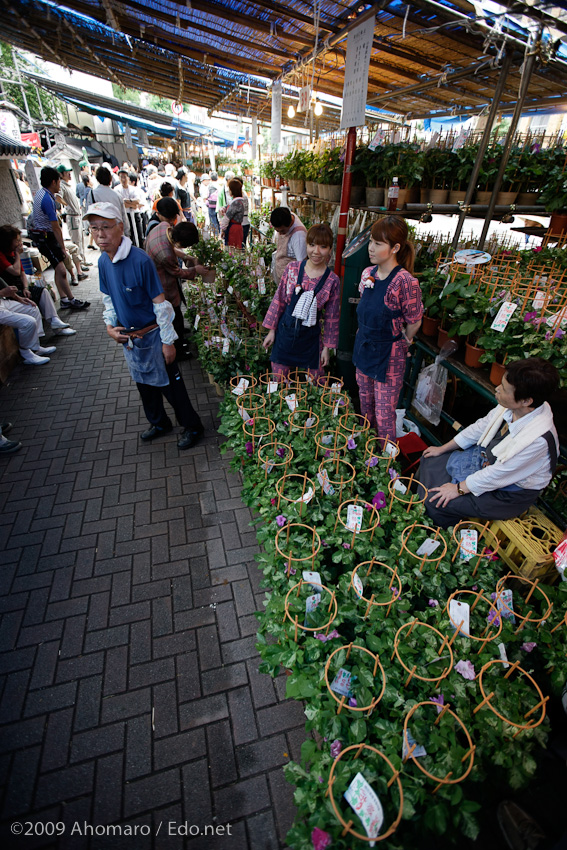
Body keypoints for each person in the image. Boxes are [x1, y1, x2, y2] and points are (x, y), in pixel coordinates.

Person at [85, 201, 204, 449]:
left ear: (120, 227)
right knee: (143, 384)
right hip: (130, 339)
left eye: (105, 227)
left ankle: (192, 426)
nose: (99, 234)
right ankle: (159, 422)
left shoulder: (140, 261)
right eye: (94, 228)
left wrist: (168, 342)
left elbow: (161, 305)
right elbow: (108, 298)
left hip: (153, 336)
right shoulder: (103, 262)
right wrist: (109, 326)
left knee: (172, 385)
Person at [420, 357, 560, 528]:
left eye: (504, 389)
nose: (497, 389)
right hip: (486, 461)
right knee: (430, 459)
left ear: (526, 401)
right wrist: (442, 448)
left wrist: (457, 489)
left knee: (437, 500)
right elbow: (481, 427)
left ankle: (434, 534)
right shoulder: (513, 406)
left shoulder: (537, 440)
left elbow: (499, 474)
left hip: (505, 493)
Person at [352, 216, 422, 442]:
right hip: (363, 349)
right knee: (365, 407)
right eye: (371, 241)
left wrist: (403, 342)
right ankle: (366, 453)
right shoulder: (367, 274)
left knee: (384, 416)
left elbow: (414, 321)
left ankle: (386, 467)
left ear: (396, 248)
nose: (371, 248)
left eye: (378, 243)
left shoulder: (405, 282)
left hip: (388, 357)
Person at [262, 223, 340, 381]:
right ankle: (280, 403)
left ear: (330, 250)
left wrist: (327, 348)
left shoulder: (332, 280)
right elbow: (279, 300)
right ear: (306, 245)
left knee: (317, 380)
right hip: (285, 333)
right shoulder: (292, 269)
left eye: (323, 246)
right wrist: (271, 331)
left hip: (310, 339)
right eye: (312, 245)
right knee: (279, 377)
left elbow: (332, 317)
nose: (316, 252)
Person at [145, 218, 208, 360]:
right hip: (162, 282)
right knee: (174, 314)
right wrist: (195, 269)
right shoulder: (165, 254)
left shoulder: (164, 226)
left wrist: (187, 256)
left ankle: (179, 339)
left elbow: (172, 249)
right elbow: (177, 272)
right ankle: (178, 350)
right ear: (180, 242)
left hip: (160, 274)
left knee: (176, 312)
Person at [29, 166, 89, 311]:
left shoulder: (41, 194)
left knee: (58, 268)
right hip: (46, 238)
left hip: (41, 237)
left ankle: (64, 299)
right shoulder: (47, 199)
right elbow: (55, 227)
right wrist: (62, 247)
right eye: (58, 181)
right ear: (54, 181)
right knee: (61, 269)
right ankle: (71, 299)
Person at [0, 225, 76, 336]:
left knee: (43, 291)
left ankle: (55, 321)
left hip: (19, 288)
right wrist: (17, 254)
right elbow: (15, 271)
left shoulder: (12, 253)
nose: (19, 243)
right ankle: (39, 337)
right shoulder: (2, 255)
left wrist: (26, 287)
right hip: (9, 293)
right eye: (16, 241)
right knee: (32, 306)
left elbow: (22, 273)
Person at [0, 281, 57, 365]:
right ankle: (25, 352)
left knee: (31, 308)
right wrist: (2, 293)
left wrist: (18, 298)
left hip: (2, 302)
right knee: (28, 322)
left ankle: (35, 348)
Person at [55, 163, 89, 271]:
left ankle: (83, 260)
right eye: (67, 173)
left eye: (69, 172)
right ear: (61, 174)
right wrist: (67, 205)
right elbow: (57, 197)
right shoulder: (61, 186)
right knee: (76, 242)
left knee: (81, 239)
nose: (69, 174)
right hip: (72, 217)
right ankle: (79, 264)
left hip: (77, 216)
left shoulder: (68, 185)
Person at [88, 166, 130, 237]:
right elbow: (124, 217)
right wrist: (127, 233)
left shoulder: (92, 194)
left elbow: (89, 215)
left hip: (102, 233)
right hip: (117, 231)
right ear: (110, 179)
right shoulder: (117, 195)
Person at [270, 206, 307, 285]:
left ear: (289, 224)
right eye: (277, 231)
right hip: (283, 279)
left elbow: (302, 264)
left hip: (291, 282)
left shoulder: (299, 236)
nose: (280, 234)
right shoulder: (287, 216)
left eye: (282, 231)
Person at [220, 179, 248, 249]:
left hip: (234, 230)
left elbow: (227, 217)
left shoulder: (236, 202)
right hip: (236, 228)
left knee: (233, 249)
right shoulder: (237, 201)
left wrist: (223, 229)